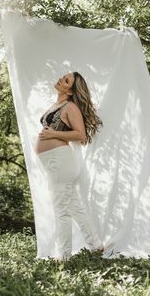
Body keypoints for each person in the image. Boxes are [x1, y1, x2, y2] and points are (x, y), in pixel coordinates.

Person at [35, 71, 104, 261]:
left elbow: (80, 135)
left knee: (61, 210)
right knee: (74, 207)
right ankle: (96, 245)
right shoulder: (57, 105)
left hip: (61, 162)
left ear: (72, 91)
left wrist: (53, 135)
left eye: (66, 81)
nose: (60, 79)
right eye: (63, 77)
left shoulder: (70, 107)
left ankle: (63, 257)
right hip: (55, 162)